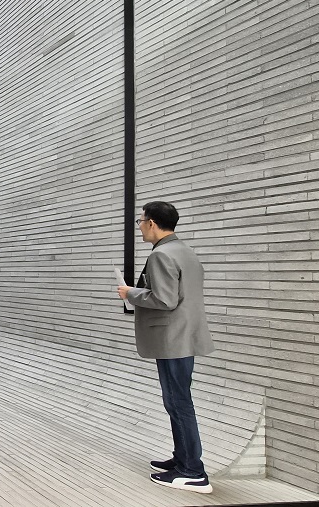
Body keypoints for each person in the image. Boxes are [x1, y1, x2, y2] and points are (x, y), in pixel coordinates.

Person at [118, 201, 215, 494]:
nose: (140, 227)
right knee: (178, 401)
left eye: (141, 222)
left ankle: (193, 471)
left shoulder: (161, 255)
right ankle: (182, 458)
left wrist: (130, 293)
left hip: (173, 339)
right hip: (186, 336)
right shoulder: (184, 251)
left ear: (152, 223)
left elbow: (164, 299)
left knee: (178, 402)